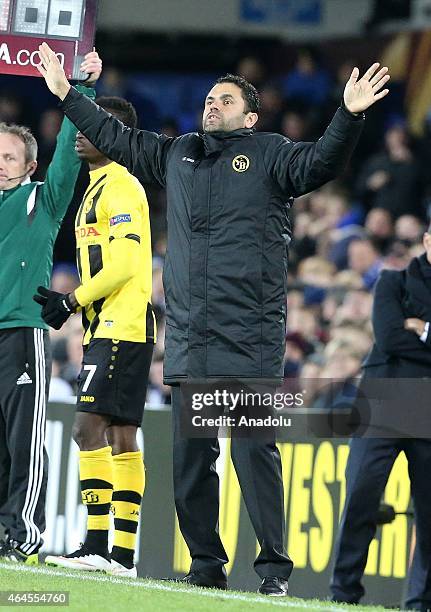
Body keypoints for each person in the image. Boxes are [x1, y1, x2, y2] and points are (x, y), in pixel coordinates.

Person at [36, 41, 390, 595]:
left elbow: (323, 161)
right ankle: (206, 567)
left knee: (255, 459)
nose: (211, 105)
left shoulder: (272, 154)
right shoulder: (177, 153)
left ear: (250, 116)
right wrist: (66, 94)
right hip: (191, 339)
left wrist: (348, 114)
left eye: (224, 100)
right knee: (192, 464)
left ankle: (273, 571)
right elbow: (117, 138)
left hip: (249, 337)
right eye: (208, 98)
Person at [33, 96, 155, 578]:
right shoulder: (100, 188)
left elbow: (125, 264)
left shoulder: (121, 186)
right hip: (113, 325)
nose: (79, 133)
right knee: (122, 434)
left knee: (88, 429)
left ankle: (97, 544)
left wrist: (72, 299)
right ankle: (121, 556)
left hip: (119, 324)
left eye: (91, 126)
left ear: (116, 136)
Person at [0, 52, 102, 565]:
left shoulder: (44, 199)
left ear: (30, 166)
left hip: (21, 335)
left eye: (9, 157)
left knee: (24, 444)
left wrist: (75, 85)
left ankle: (21, 534)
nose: (0, 163)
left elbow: (68, 150)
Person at [330, 226, 431, 611]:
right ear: (426, 240)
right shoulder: (393, 280)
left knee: (429, 510)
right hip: (381, 403)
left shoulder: (395, 285)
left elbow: (395, 342)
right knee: (360, 495)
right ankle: (343, 592)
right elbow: (388, 338)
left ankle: (421, 601)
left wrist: (423, 330)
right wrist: (417, 337)